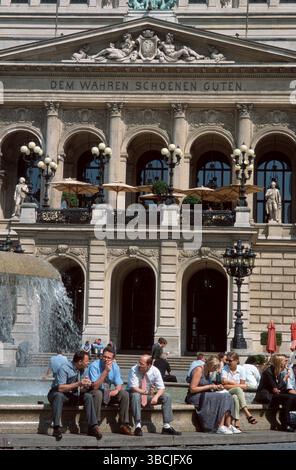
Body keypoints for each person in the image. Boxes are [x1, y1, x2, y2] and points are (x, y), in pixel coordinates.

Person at [47, 350, 101, 440]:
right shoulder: (64, 368)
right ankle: (56, 427)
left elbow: (82, 388)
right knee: (58, 396)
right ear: (80, 362)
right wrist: (79, 384)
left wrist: (86, 386)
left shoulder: (84, 369)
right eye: (87, 361)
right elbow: (60, 388)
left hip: (72, 395)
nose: (88, 363)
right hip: (58, 394)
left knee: (88, 396)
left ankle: (93, 426)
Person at [127, 354, 181, 436]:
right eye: (138, 362)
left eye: (141, 364)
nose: (139, 365)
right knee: (135, 395)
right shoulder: (134, 369)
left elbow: (162, 388)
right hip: (135, 395)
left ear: (149, 365)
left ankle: (166, 426)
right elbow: (133, 388)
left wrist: (156, 397)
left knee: (167, 396)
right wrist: (146, 392)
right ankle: (138, 426)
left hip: (148, 396)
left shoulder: (155, 371)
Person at [186, 355, 237, 434]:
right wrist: (210, 386)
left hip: (204, 394)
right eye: (215, 368)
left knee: (228, 395)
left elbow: (206, 386)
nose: (216, 370)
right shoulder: (199, 370)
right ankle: (220, 426)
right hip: (195, 396)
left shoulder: (208, 371)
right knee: (223, 397)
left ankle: (228, 424)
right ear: (210, 365)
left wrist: (216, 387)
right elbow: (192, 389)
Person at [88, 345, 132, 436]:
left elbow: (119, 384)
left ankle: (124, 424)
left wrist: (116, 391)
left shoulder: (115, 367)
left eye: (109, 358)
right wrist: (105, 372)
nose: (106, 359)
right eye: (104, 357)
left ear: (113, 359)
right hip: (96, 393)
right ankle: (94, 425)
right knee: (98, 393)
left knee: (124, 394)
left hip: (108, 394)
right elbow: (95, 386)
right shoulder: (94, 365)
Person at [255, 354, 296, 431]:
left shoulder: (279, 372)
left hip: (274, 395)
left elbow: (279, 389)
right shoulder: (268, 372)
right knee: (290, 398)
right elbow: (276, 389)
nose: (286, 362)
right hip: (267, 395)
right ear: (280, 362)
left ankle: (285, 420)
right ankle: (285, 423)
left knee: (293, 398)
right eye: (285, 360)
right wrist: (284, 379)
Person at [221, 352, 258, 429]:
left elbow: (243, 387)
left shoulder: (241, 369)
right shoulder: (224, 368)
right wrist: (235, 383)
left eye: (230, 360)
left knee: (235, 397)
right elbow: (224, 384)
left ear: (236, 361)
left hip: (237, 394)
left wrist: (229, 383)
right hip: (226, 392)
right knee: (237, 389)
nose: (228, 362)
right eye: (227, 360)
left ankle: (236, 422)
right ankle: (247, 413)